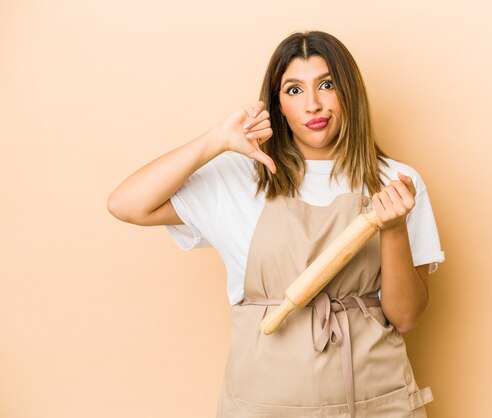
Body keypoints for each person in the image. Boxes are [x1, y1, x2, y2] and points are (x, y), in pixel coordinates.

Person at [108, 30, 444, 418]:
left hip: (375, 404)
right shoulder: (240, 178)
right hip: (261, 406)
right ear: (277, 104)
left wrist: (394, 227)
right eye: (294, 90)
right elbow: (126, 204)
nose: (313, 104)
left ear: (349, 92)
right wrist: (216, 140)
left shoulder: (396, 182)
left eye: (327, 84)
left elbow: (405, 316)